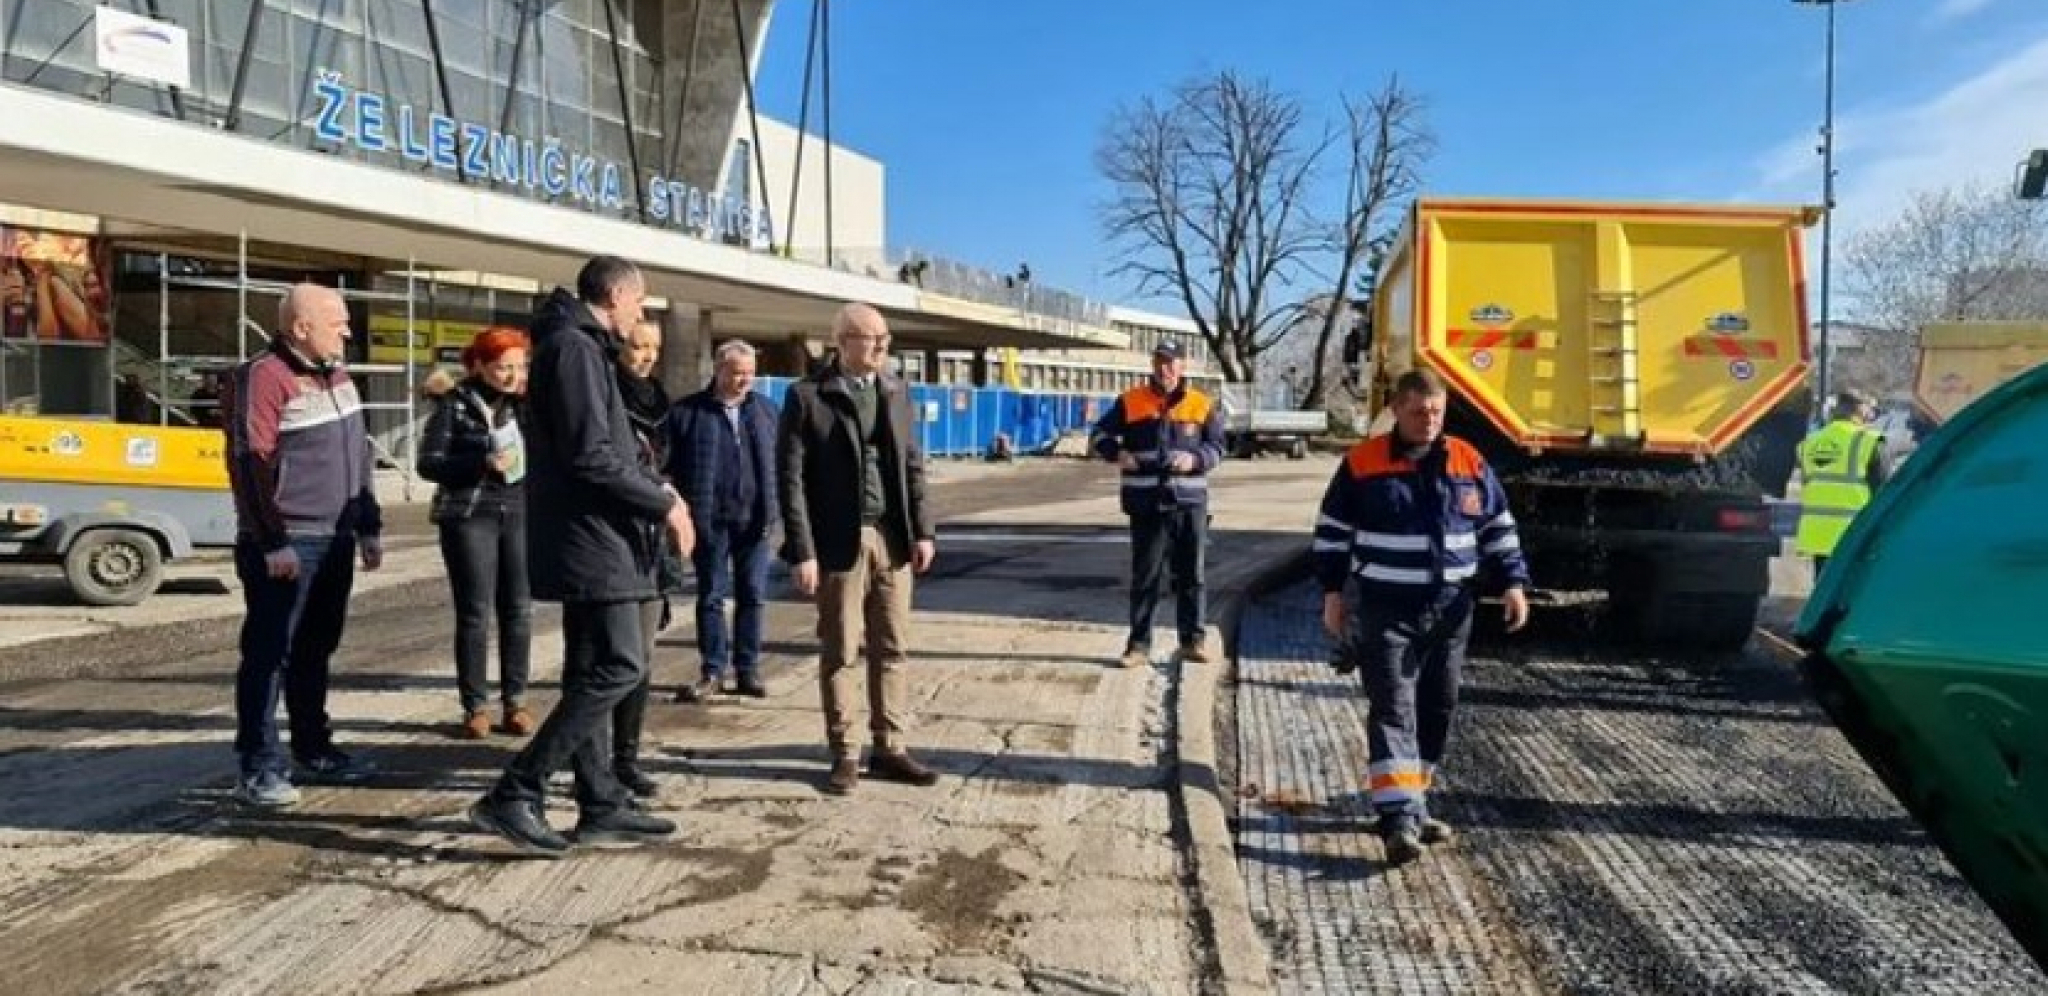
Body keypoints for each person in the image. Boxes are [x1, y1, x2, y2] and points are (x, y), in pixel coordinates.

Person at [468, 256, 695, 857]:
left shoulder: (579, 344)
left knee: (593, 668)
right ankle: (516, 791)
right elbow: (590, 456)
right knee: (621, 666)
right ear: (617, 295)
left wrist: (657, 487)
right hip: (593, 538)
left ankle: (600, 804)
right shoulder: (573, 347)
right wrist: (662, 504)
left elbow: (606, 446)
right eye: (639, 304)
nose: (640, 316)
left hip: (598, 535)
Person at [1313, 368, 1531, 866]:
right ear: (1396, 409)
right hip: (1386, 607)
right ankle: (1398, 821)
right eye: (1418, 412)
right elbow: (1332, 531)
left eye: (1436, 411)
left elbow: (1497, 525)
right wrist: (1332, 593)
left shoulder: (1467, 460)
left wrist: (1513, 583)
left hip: (1451, 609)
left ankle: (1415, 797)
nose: (1429, 421)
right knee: (1393, 704)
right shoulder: (1363, 463)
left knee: (1439, 704)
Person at [220, 283, 384, 808]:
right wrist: (272, 541)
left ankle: (314, 748)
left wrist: (368, 523)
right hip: (288, 543)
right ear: (301, 327)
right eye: (338, 321)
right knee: (270, 655)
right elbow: (249, 461)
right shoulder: (263, 378)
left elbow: (359, 453)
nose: (348, 330)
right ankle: (259, 766)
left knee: (316, 649)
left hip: (335, 537)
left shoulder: (338, 376)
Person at [778, 302, 940, 796]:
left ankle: (889, 745)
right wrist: (802, 550)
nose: (884, 348)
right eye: (875, 339)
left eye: (886, 339)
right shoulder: (808, 397)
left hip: (891, 539)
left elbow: (913, 464)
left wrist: (923, 531)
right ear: (844, 340)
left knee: (893, 647)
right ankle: (844, 752)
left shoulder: (895, 391)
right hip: (837, 543)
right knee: (841, 650)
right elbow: (790, 480)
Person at [416, 329, 535, 741]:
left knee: (519, 609)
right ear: (479, 365)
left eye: (519, 366)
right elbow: (428, 464)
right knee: (475, 613)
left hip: (518, 510)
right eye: (503, 366)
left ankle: (516, 702)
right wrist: (480, 461)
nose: (512, 375)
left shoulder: (526, 404)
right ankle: (475, 706)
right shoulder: (454, 405)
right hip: (469, 514)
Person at [1088, 340, 1227, 669]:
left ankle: (1193, 641)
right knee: (1145, 576)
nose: (1164, 369)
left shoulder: (1201, 404)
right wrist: (1117, 453)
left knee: (1192, 575)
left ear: (1183, 366)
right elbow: (1097, 435)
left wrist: (1194, 459)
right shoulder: (1131, 401)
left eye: (1171, 362)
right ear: (1153, 365)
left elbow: (1218, 447)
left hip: (1188, 503)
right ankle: (1138, 645)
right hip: (1146, 504)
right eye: (1159, 362)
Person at [666, 339, 780, 704]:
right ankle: (712, 669)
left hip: (754, 522)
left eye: (749, 373)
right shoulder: (687, 413)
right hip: (710, 522)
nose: (743, 380)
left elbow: (780, 464)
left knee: (753, 595)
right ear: (717, 370)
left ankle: (748, 669)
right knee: (711, 596)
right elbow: (668, 467)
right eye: (736, 373)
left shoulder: (765, 410)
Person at [609, 318, 685, 798]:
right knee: (616, 659)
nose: (647, 356)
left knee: (643, 657)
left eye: (654, 348)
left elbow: (668, 463)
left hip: (653, 539)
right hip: (615, 539)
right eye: (639, 346)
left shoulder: (658, 401)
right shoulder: (607, 396)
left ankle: (626, 758)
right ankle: (596, 762)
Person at [1795, 389, 1890, 578]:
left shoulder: (1810, 443)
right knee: (1851, 590)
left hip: (1818, 533)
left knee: (1823, 589)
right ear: (1859, 410)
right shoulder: (1868, 441)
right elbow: (1883, 491)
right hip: (1854, 532)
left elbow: (1809, 483)